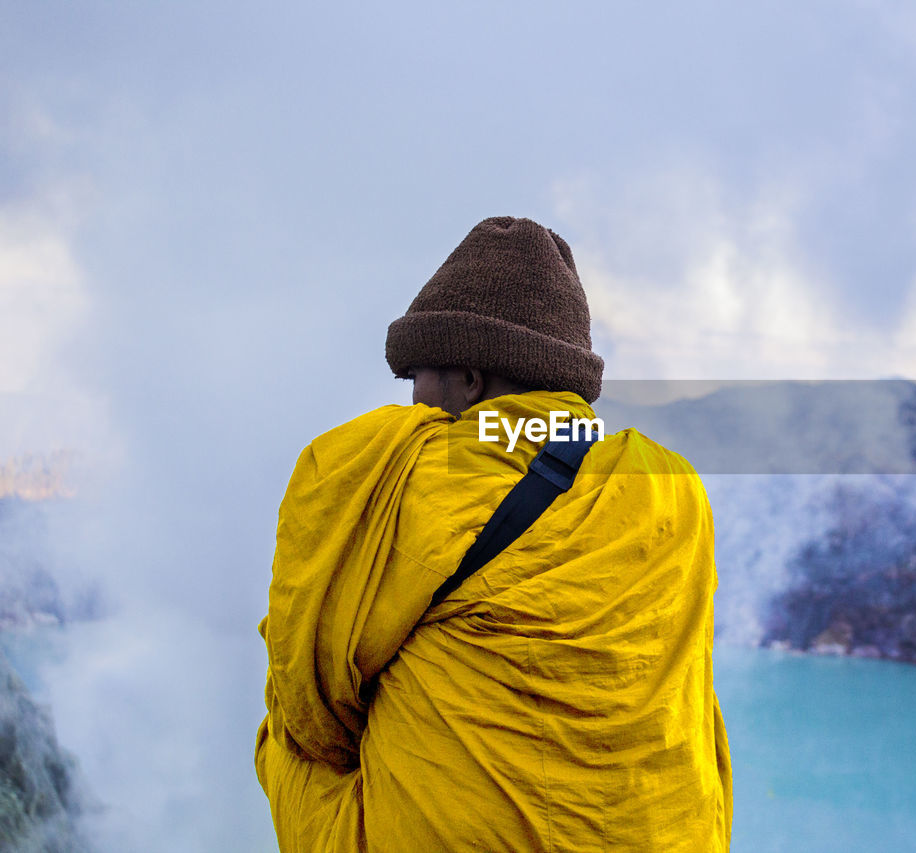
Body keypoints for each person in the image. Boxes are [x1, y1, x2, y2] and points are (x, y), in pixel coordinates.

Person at [255, 216, 733, 851]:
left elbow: (313, 709)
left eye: (416, 377)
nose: (412, 400)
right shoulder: (667, 482)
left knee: (285, 743)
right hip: (659, 832)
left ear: (469, 378)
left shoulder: (403, 473)